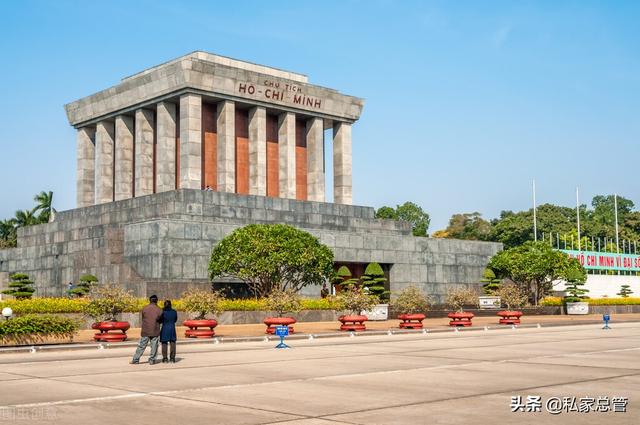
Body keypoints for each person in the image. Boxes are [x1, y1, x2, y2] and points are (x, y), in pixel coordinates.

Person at [131, 295, 162, 365]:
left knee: (141, 346)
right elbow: (161, 320)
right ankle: (152, 360)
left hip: (145, 330)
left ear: (150, 300)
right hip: (155, 330)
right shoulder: (159, 309)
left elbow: (143, 318)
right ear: (156, 301)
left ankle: (136, 359)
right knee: (154, 346)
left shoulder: (145, 308)